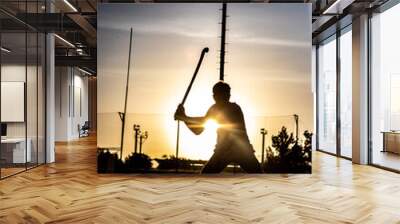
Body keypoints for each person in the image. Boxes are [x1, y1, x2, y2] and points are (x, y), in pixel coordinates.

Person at [174, 81, 262, 173]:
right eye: (226, 94)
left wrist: (184, 117)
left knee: (205, 177)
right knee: (205, 177)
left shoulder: (232, 108)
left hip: (236, 150)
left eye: (228, 94)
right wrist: (184, 118)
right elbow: (198, 130)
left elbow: (199, 127)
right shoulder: (217, 109)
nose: (228, 96)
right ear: (215, 96)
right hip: (231, 150)